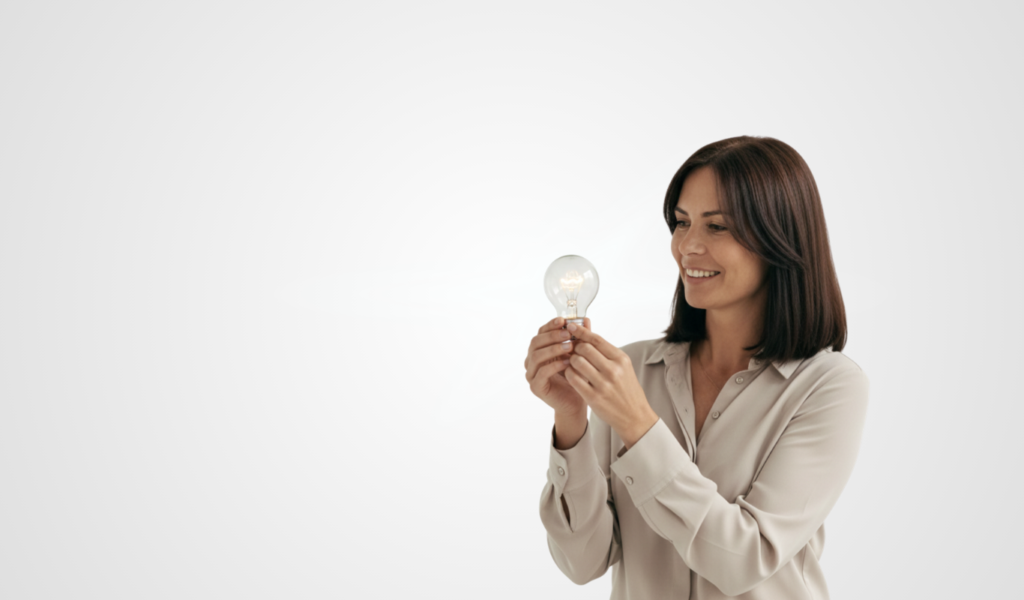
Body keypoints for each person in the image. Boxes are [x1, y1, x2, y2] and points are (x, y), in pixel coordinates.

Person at [524, 136, 868, 599]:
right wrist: (571, 422)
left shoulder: (829, 387)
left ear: (779, 239)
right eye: (681, 223)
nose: (687, 246)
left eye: (717, 227)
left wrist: (638, 425)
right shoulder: (632, 371)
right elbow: (582, 562)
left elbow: (746, 558)